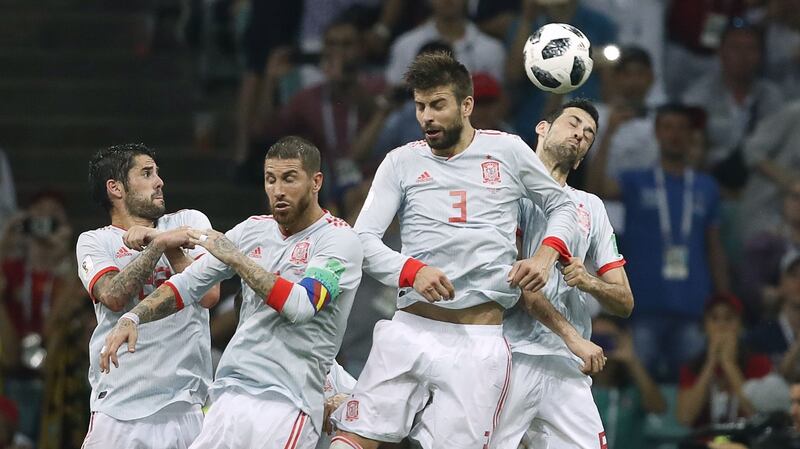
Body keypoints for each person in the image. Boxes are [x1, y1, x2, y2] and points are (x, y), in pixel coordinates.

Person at [331, 51, 578, 449]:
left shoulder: (508, 152)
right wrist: (412, 271)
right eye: (420, 106)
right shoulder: (401, 162)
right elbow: (362, 240)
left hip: (476, 344)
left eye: (437, 105)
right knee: (353, 439)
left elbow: (563, 205)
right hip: (409, 329)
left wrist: (545, 255)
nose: (426, 116)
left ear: (466, 105)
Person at [100, 136, 363, 449]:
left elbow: (301, 305)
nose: (278, 190)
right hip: (230, 394)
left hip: (286, 401)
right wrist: (133, 316)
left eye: (289, 179)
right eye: (270, 179)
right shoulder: (253, 229)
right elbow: (190, 283)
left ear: (316, 181)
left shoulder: (339, 241)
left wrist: (237, 258)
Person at [493, 98, 635, 449]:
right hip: (512, 355)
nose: (581, 135)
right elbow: (522, 283)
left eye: (589, 134)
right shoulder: (508, 194)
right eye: (573, 123)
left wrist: (587, 280)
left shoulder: (591, 207)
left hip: (567, 369)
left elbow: (625, 302)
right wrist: (573, 337)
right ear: (542, 128)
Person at [75, 143, 220, 448]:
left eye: (157, 172)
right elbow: (113, 295)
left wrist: (166, 242)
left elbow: (209, 294)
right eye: (146, 173)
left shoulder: (190, 223)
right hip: (118, 408)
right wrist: (157, 247)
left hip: (186, 406)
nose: (159, 181)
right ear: (116, 188)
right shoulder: (94, 242)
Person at [589, 103, 731, 381]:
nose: (674, 135)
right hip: (644, 307)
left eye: (681, 128)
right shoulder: (637, 181)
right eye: (667, 127)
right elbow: (596, 187)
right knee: (641, 387)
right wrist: (608, 134)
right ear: (657, 132)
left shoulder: (706, 187)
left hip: (693, 307)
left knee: (689, 388)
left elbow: (715, 248)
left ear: (691, 135)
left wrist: (722, 297)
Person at [676, 294, 772, 428]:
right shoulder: (692, 367)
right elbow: (685, 418)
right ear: (705, 326)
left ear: (740, 326)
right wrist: (710, 364)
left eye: (729, 318)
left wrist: (729, 365)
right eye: (714, 318)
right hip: (705, 441)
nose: (721, 325)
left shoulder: (759, 363)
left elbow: (757, 413)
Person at [589, 314, 666, 449]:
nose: (601, 346)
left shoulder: (634, 388)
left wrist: (631, 360)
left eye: (608, 339)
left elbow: (658, 407)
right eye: (596, 339)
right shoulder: (578, 387)